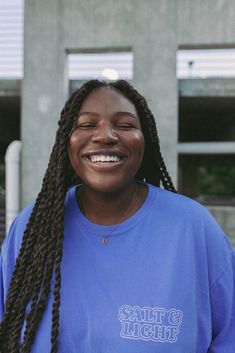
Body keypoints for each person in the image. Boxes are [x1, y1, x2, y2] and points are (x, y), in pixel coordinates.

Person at [0, 79, 234, 353]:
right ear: (67, 140)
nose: (105, 136)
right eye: (87, 125)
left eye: (124, 125)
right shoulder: (32, 228)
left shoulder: (193, 228)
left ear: (145, 140)